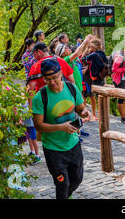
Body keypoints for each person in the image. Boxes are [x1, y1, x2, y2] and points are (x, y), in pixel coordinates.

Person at [32, 58, 93, 199]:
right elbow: (38, 125)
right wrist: (61, 127)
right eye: (48, 80)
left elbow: (81, 109)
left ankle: (67, 195)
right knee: (62, 184)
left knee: (76, 180)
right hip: (53, 149)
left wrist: (86, 113)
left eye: (54, 78)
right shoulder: (40, 97)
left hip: (73, 144)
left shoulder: (72, 88)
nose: (52, 82)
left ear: (61, 74)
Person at [82, 37, 108, 116]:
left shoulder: (93, 55)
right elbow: (106, 61)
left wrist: (87, 50)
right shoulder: (102, 53)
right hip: (101, 76)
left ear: (94, 46)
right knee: (100, 95)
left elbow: (83, 59)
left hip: (93, 77)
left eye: (90, 46)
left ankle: (97, 114)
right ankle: (101, 113)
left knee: (93, 94)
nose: (90, 48)